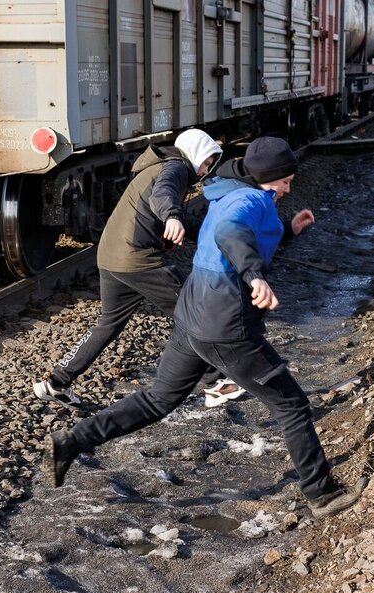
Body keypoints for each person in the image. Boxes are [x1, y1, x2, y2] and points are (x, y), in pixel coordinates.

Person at [43, 137, 363, 518]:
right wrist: (254, 276)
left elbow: (236, 239)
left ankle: (73, 441)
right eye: (285, 182)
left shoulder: (227, 192)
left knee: (157, 400)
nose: (287, 189)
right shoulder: (251, 201)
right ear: (267, 178)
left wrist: (289, 232)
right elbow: (231, 235)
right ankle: (322, 493)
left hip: (191, 318)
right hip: (226, 325)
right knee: (292, 405)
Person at [32, 128, 244, 407]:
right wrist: (171, 217)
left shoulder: (157, 167)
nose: (207, 169)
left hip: (110, 256)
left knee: (107, 324)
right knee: (194, 309)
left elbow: (175, 212)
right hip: (137, 259)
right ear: (195, 154)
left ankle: (56, 382)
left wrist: (213, 236)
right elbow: (163, 194)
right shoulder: (175, 168)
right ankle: (217, 381)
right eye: (207, 161)